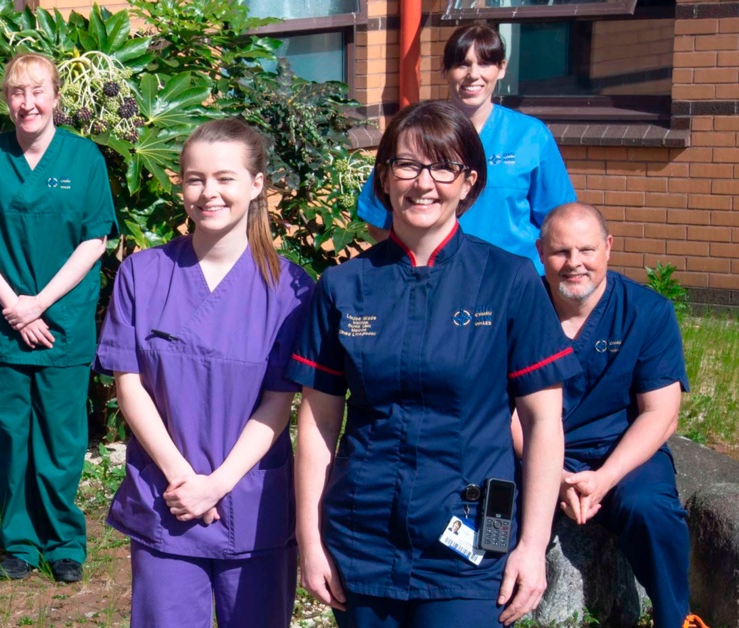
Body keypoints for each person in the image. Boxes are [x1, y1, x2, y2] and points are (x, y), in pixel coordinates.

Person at [288, 101, 581, 628]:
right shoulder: (343, 286)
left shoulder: (509, 281)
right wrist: (310, 540)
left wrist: (533, 546)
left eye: (443, 167)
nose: (424, 183)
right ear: (384, 177)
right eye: (407, 165)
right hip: (363, 535)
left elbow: (542, 424)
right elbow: (317, 423)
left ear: (468, 181)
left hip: (469, 542)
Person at [95, 118, 313, 626]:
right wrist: (183, 480)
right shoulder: (142, 274)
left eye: (224, 178)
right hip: (167, 500)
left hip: (251, 501)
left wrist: (215, 485)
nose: (208, 192)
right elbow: (129, 386)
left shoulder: (289, 289)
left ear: (257, 185)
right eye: (195, 179)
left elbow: (279, 402)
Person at [0, 51, 118, 583]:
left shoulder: (84, 158)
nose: (28, 103)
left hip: (61, 322)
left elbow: (95, 239)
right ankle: (19, 543)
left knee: (63, 439)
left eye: (37, 91)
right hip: (3, 322)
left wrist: (38, 304)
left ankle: (64, 541)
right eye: (17, 93)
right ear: (7, 100)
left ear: (56, 98)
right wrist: (13, 307)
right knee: (9, 435)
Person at [531, 202, 698, 628]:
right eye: (560, 252)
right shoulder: (521, 310)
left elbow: (661, 414)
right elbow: (500, 409)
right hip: (532, 450)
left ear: (608, 248)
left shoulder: (648, 312)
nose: (574, 264)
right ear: (540, 251)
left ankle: (674, 618)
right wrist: (556, 476)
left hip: (620, 453)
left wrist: (603, 478)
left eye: (586, 250)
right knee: (493, 508)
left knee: (651, 509)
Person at [354, 24, 576, 274]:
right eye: (462, 64)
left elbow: (560, 222)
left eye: (484, 63)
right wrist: (417, 269)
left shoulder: (531, 136)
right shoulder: (415, 132)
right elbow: (377, 219)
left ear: (501, 68)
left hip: (513, 281)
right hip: (440, 282)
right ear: (445, 69)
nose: (473, 74)